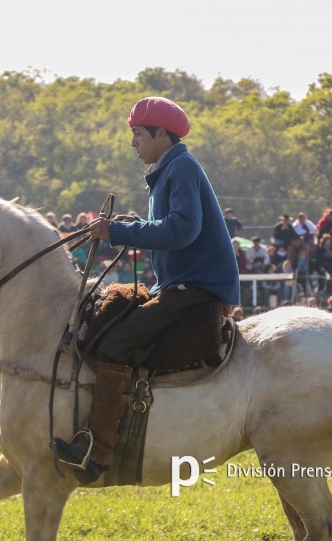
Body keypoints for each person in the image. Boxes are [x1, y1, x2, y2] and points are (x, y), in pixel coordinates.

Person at [53, 96, 240, 484]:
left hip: (196, 287)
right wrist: (132, 222)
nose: (133, 142)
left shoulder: (181, 168)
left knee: (115, 341)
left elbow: (182, 229)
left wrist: (118, 230)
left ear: (160, 134)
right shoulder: (168, 169)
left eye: (138, 134)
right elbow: (170, 226)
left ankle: (98, 452)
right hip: (179, 284)